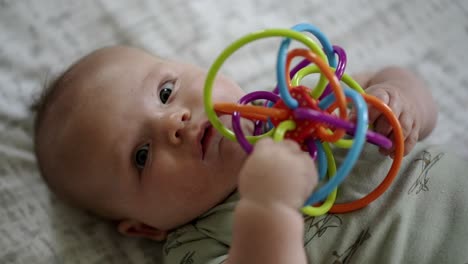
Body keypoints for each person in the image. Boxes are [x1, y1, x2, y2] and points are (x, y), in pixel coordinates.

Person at [32, 45, 468, 263]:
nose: (173, 124)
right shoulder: (197, 245)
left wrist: (399, 100)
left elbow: (396, 84)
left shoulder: (299, 102)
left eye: (166, 92)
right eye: (141, 156)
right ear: (145, 227)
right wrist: (268, 207)